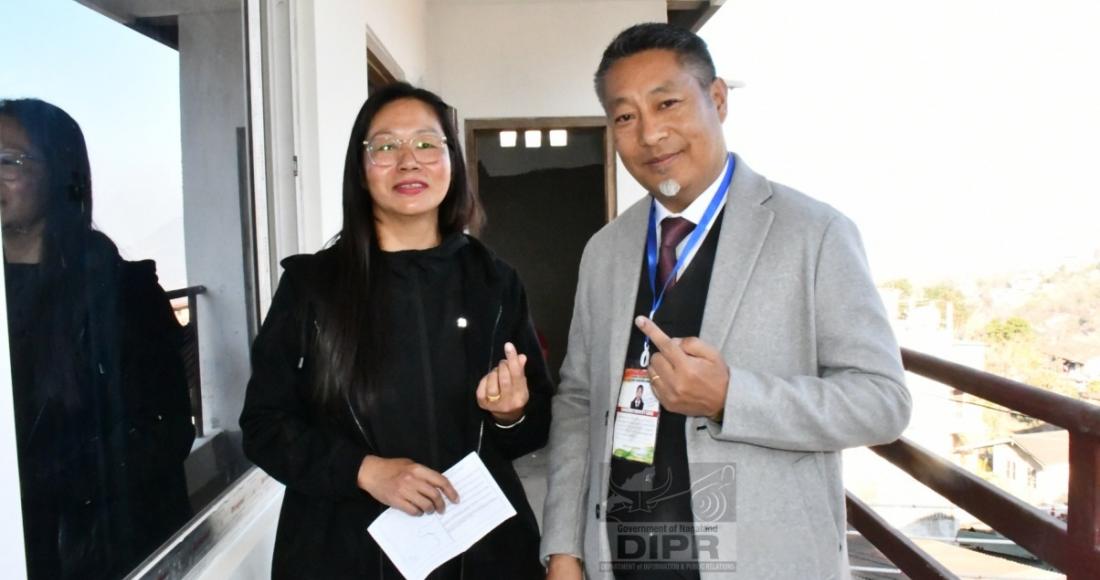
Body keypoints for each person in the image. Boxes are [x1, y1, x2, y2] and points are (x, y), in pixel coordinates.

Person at [541, 23, 912, 579]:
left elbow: (882, 402)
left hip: (762, 560)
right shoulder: (605, 251)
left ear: (716, 99)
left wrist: (730, 397)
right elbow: (576, 401)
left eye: (667, 103)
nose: (650, 134)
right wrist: (565, 549)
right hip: (624, 557)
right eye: (625, 116)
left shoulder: (813, 232)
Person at [240, 82, 551, 579]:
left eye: (427, 144)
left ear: (452, 162)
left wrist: (513, 414)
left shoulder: (493, 280)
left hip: (478, 552)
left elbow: (535, 425)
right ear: (360, 172)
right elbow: (263, 425)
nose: (409, 161)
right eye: (385, 146)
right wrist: (364, 470)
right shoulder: (312, 287)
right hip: (344, 552)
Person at [0, 98, 195, 579]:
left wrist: (38, 484)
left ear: (60, 173)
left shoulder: (120, 292)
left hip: (94, 553)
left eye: (8, 160)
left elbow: (166, 430)